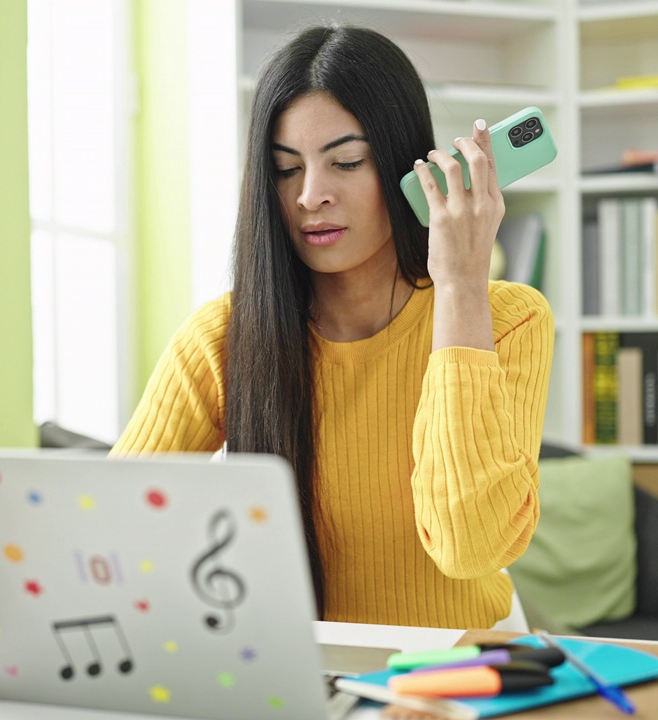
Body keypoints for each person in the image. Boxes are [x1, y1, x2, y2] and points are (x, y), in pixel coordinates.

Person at [113, 24, 553, 629]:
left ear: (407, 169)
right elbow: (106, 526)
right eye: (286, 169)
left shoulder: (509, 319)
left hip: (461, 674)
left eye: (345, 162)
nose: (310, 196)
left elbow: (468, 548)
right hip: (295, 675)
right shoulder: (224, 336)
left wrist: (459, 286)